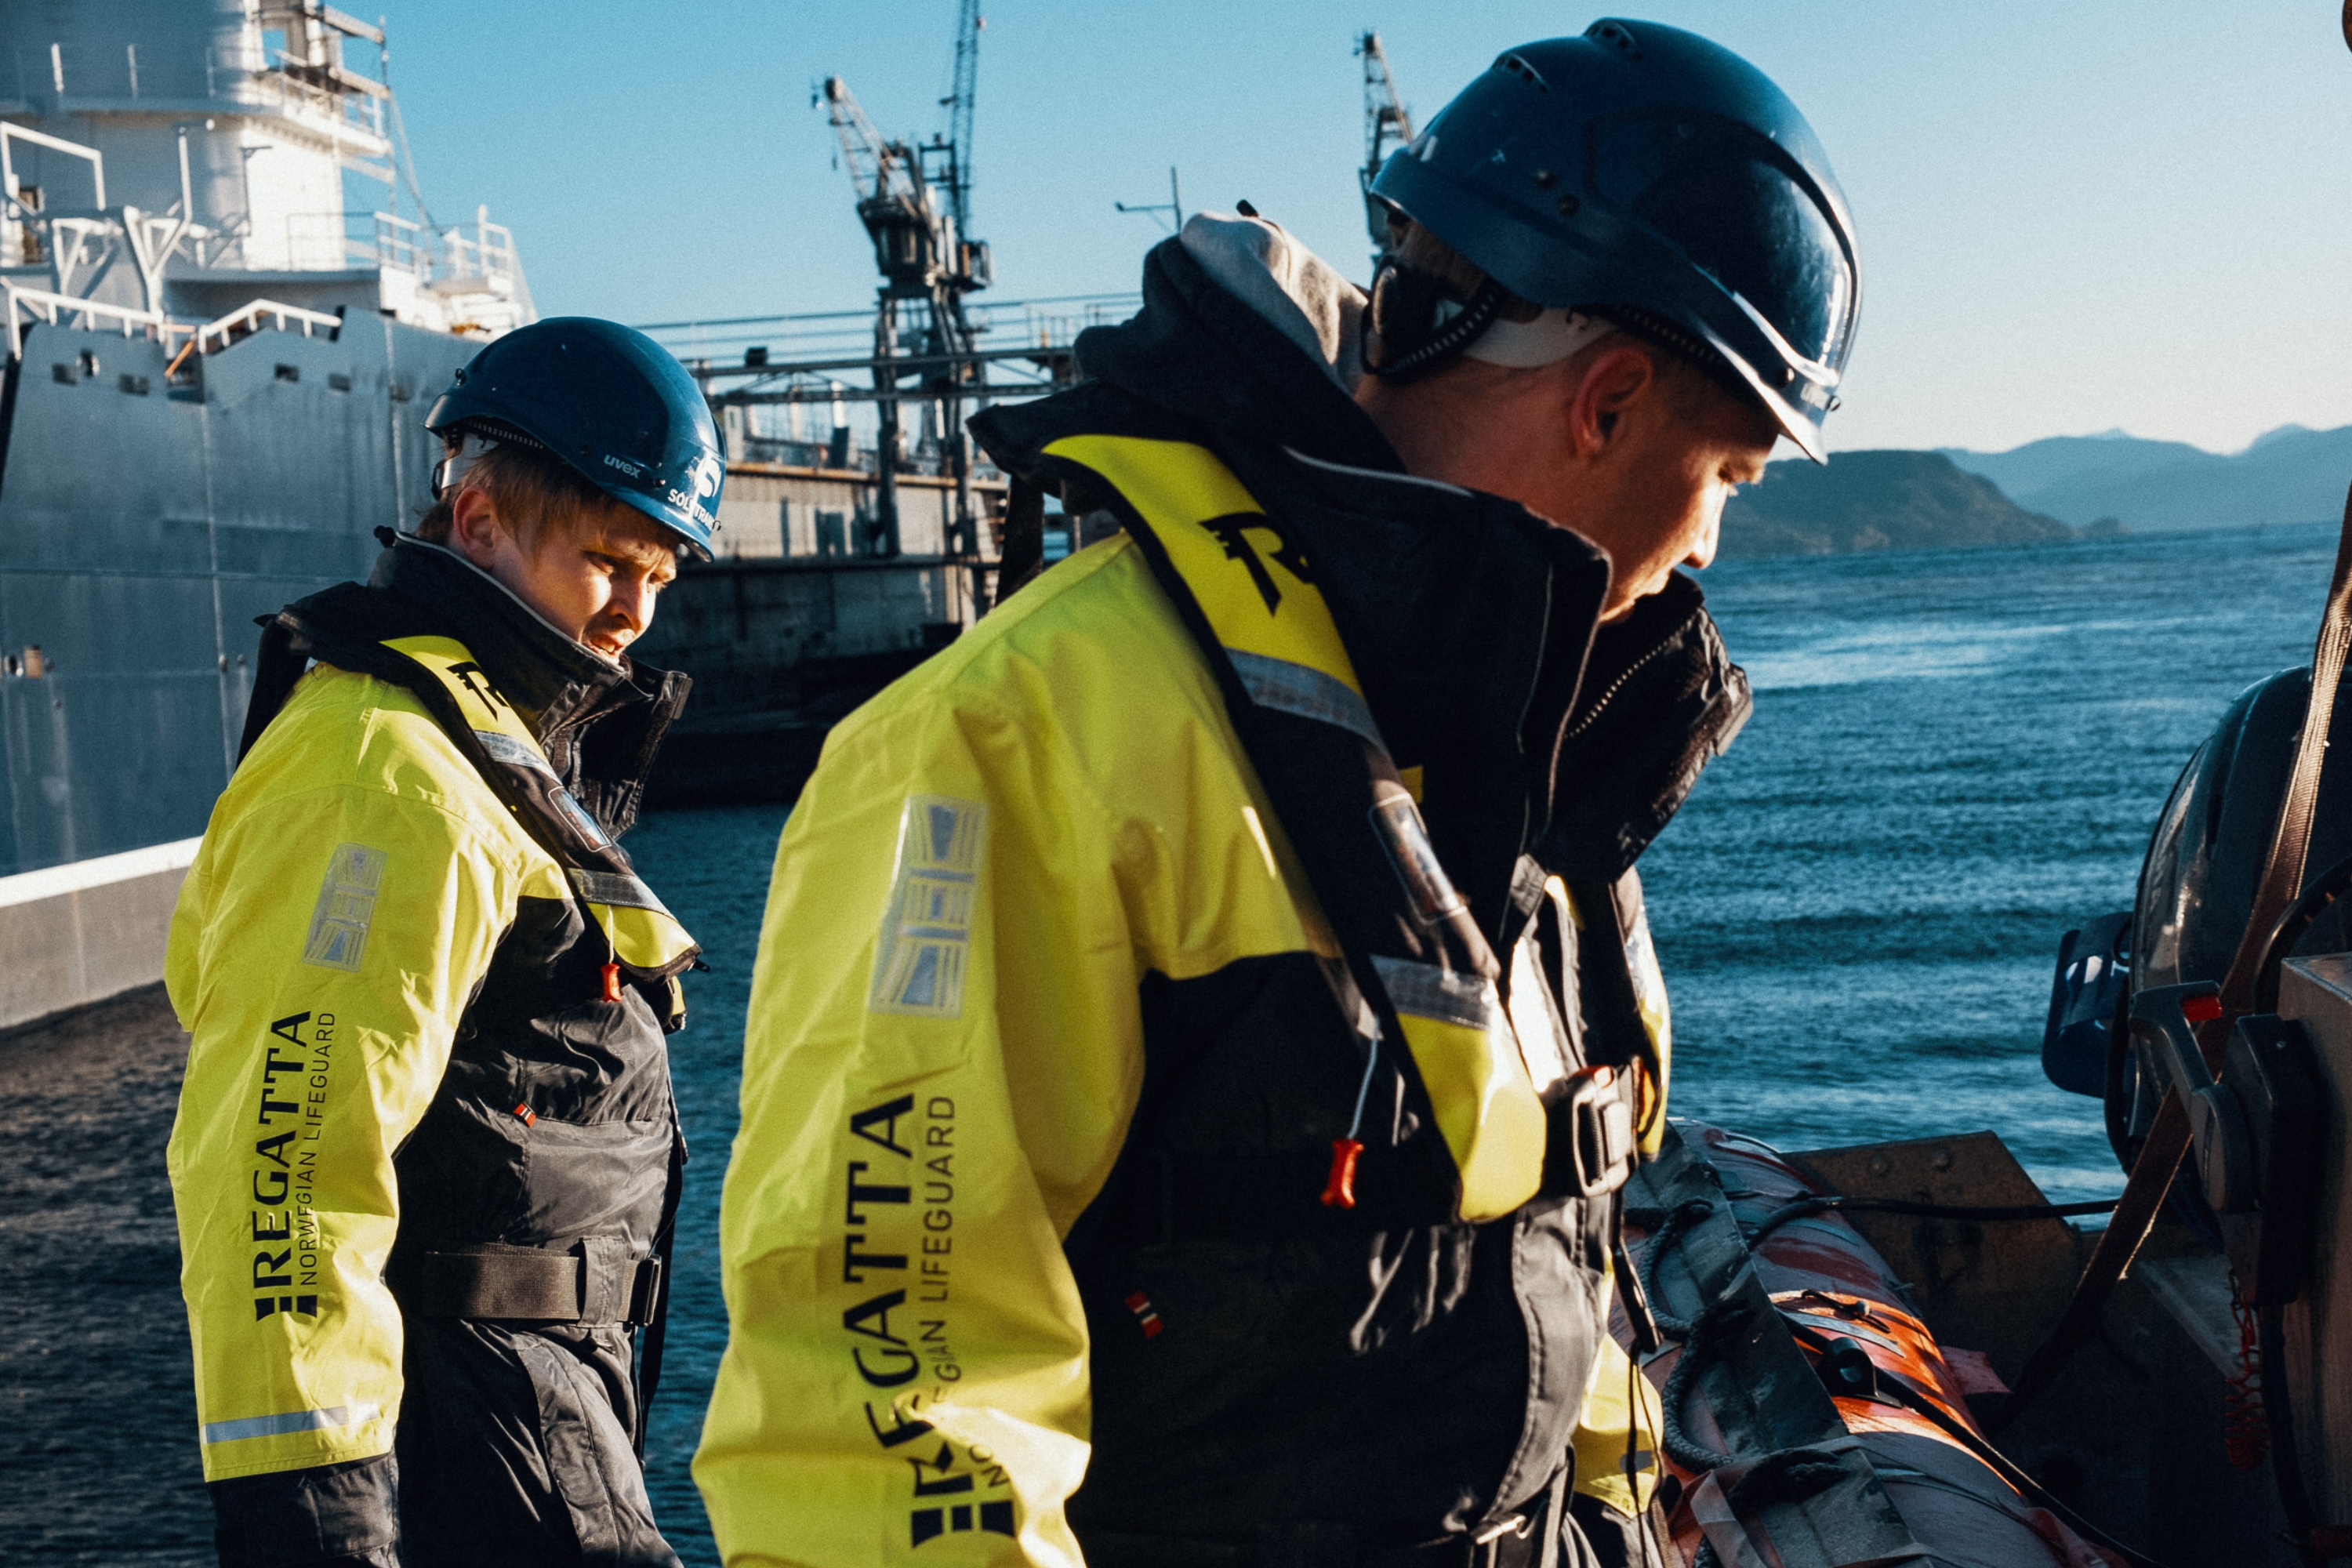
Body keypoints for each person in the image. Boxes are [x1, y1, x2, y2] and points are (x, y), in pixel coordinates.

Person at [697, 19, 1858, 1567]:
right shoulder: (1010, 739)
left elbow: (1550, 1247)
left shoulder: (1534, 751)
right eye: (1732, 476)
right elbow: (889, 1410)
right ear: (1609, 401)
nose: (1710, 543)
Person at [165, 317, 725, 1568]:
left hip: (534, 1420)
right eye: (608, 563)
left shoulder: (476, 751)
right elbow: (284, 1170)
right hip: (475, 1454)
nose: (635, 613)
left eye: (660, 578)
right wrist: (323, 1527)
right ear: (477, 522)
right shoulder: (389, 774)